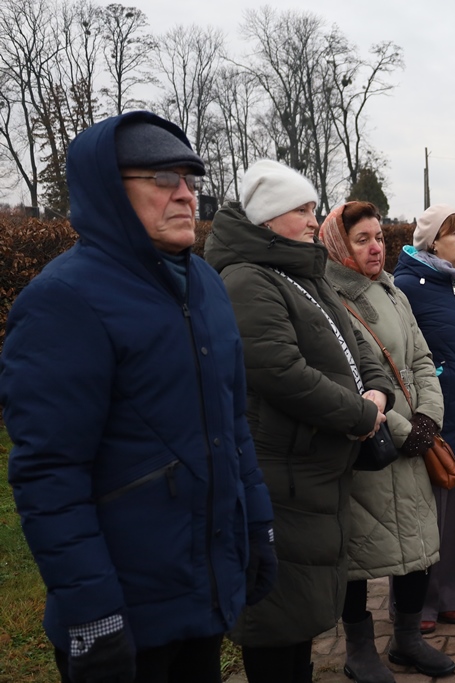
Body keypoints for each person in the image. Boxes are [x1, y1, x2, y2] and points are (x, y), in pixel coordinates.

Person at [0, 111, 275, 683]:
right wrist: (93, 614)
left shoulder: (206, 284)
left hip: (202, 592)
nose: (185, 196)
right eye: (162, 180)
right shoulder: (63, 300)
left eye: (192, 182)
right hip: (125, 610)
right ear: (107, 190)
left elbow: (232, 424)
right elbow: (50, 473)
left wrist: (258, 527)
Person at [204, 160, 394, 683]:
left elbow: (358, 344)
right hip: (281, 474)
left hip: (314, 472)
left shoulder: (302, 272)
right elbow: (278, 371)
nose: (315, 220)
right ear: (268, 219)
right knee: (276, 616)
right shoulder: (248, 279)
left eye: (314, 208)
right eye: (303, 210)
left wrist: (377, 390)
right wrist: (361, 415)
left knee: (303, 612)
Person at [319, 201, 455, 680]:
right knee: (358, 551)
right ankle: (359, 650)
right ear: (340, 245)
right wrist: (404, 429)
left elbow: (421, 358)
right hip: (371, 447)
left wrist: (429, 420)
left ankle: (407, 640)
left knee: (416, 545)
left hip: (414, 441)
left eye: (379, 237)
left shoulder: (393, 291)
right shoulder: (330, 298)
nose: (376, 246)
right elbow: (352, 376)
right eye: (363, 239)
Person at [392, 205, 455, 633]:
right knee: (422, 516)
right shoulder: (407, 285)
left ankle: (450, 596)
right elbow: (403, 355)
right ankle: (417, 605)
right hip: (429, 418)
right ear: (432, 242)